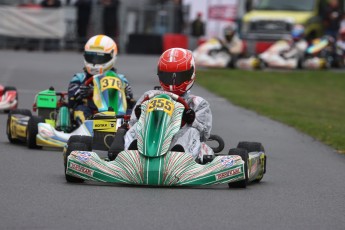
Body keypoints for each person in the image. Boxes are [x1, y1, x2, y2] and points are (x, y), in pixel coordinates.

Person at [123, 48, 214, 162]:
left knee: (192, 132)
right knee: (135, 129)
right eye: (168, 76)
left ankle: (179, 158)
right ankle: (130, 157)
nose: (173, 83)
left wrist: (191, 120)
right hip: (151, 139)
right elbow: (132, 123)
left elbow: (203, 134)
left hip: (179, 145)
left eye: (179, 76)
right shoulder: (150, 96)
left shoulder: (197, 103)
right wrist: (139, 115)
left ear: (191, 73)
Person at [68, 35, 135, 122]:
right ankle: (90, 130)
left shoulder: (121, 79)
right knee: (80, 110)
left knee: (132, 113)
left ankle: (128, 131)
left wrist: (127, 94)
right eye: (91, 57)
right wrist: (82, 93)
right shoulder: (79, 78)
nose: (94, 62)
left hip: (117, 115)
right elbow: (71, 102)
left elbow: (131, 103)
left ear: (112, 56)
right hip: (92, 114)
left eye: (99, 58)